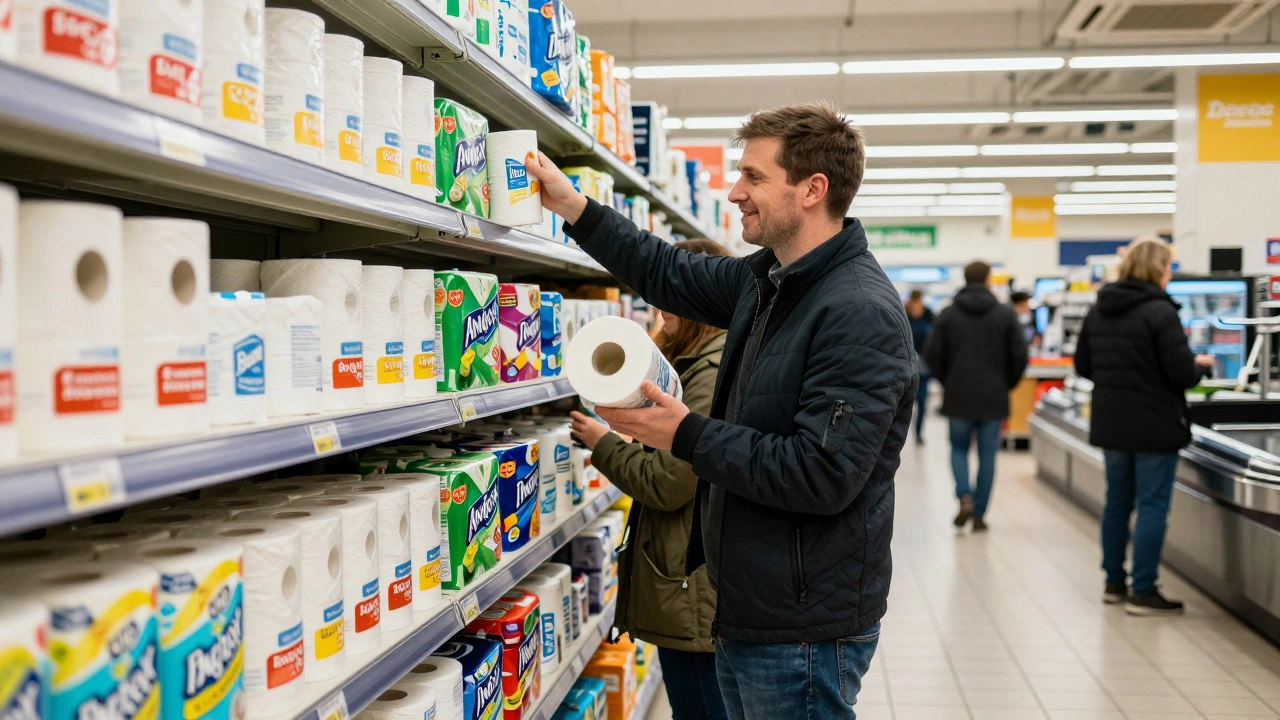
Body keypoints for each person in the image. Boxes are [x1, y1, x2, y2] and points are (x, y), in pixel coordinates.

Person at [525, 101, 916, 720]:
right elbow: (667, 271)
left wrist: (686, 434)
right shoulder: (769, 280)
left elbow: (821, 475)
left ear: (813, 189)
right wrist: (577, 208)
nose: (735, 192)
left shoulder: (857, 311)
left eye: (754, 177)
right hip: (750, 601)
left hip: (802, 624)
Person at [570, 239, 729, 720]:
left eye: (669, 293)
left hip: (692, 592)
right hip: (693, 586)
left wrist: (604, 442)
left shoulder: (709, 371)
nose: (658, 308)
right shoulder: (701, 357)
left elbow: (669, 482)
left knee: (701, 707)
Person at [1074, 238, 1214, 616]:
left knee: (1117, 502)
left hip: (1112, 422)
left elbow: (1083, 366)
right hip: (1154, 423)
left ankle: (1114, 583)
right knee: (1152, 505)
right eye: (1168, 267)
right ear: (1156, 269)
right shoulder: (1160, 311)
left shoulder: (1101, 308)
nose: (1170, 274)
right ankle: (1144, 589)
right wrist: (1201, 366)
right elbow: (1182, 373)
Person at [924, 261, 1028, 531]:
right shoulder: (1005, 315)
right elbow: (1019, 355)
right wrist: (1006, 383)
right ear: (988, 279)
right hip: (993, 395)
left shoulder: (947, 315)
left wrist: (948, 381)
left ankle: (964, 496)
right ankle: (980, 513)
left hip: (958, 394)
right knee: (987, 454)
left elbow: (932, 354)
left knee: (958, 448)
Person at [905, 290, 934, 444]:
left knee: (922, 402)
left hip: (923, 367)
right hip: (907, 366)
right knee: (905, 403)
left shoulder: (928, 315)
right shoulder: (904, 315)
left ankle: (918, 433)